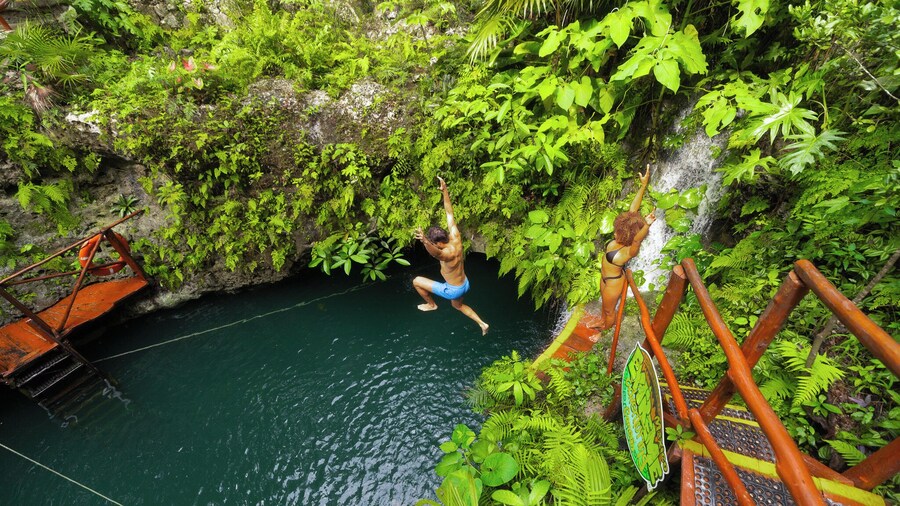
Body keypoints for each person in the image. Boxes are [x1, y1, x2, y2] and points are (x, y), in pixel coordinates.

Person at [413, 177, 490, 335]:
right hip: (464, 284)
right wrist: (445, 192)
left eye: (435, 244)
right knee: (458, 306)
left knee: (416, 281)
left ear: (439, 243)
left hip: (453, 290)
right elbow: (449, 213)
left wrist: (425, 241)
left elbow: (436, 253)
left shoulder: (445, 253)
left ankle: (431, 305)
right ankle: (482, 324)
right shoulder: (455, 236)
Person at [591, 165, 656, 337]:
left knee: (610, 310)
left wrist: (647, 225)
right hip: (605, 278)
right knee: (604, 306)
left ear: (627, 234)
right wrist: (643, 185)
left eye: (618, 232)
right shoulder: (626, 231)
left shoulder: (629, 250)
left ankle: (603, 334)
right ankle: (601, 322)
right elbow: (632, 211)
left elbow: (637, 239)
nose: (614, 232)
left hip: (613, 282)